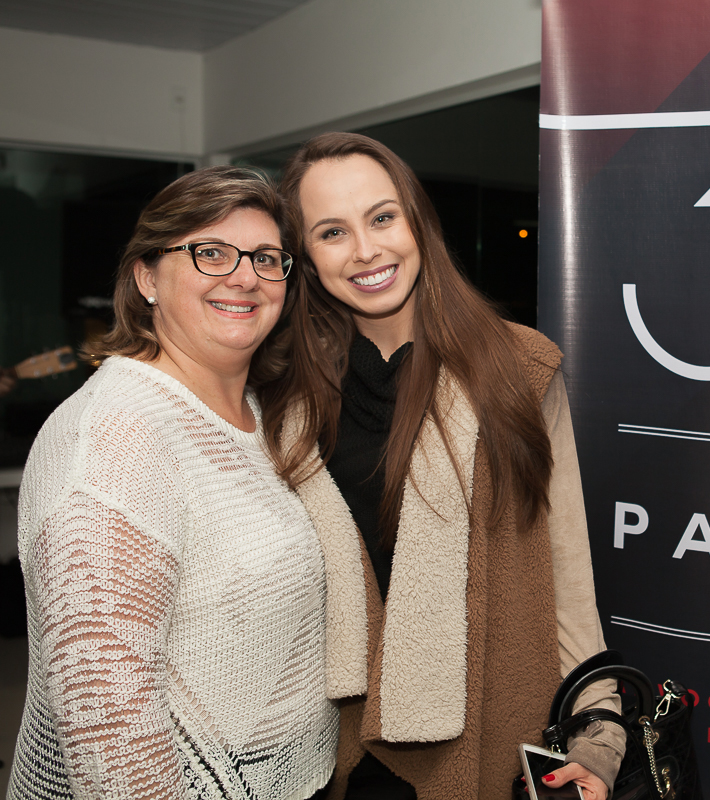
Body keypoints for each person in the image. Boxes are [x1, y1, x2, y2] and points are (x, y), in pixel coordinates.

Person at [259, 132, 624, 800]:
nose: (367, 250)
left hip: (485, 733)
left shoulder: (518, 369)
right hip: (326, 744)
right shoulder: (283, 395)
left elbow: (568, 578)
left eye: (382, 217)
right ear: (306, 257)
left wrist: (600, 738)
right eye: (333, 231)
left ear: (417, 222)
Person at [9, 167, 338, 800]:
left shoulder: (262, 416)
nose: (243, 276)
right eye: (209, 252)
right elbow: (110, 733)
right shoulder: (116, 436)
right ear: (146, 277)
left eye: (267, 259)